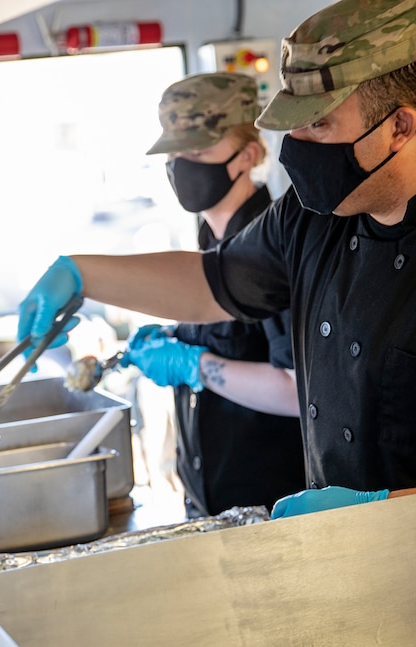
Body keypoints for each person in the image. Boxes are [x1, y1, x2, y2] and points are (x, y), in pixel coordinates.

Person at [15, 0, 416, 647]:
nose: (298, 147)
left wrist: (386, 511)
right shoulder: (316, 211)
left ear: (401, 124)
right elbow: (215, 284)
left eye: (321, 123)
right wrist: (87, 273)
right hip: (363, 601)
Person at [123, 72, 305, 517]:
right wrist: (176, 335)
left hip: (271, 505)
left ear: (248, 155)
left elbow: (298, 392)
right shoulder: (208, 241)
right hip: (212, 504)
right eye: (175, 153)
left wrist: (194, 365)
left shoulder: (271, 249)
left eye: (200, 152)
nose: (183, 166)